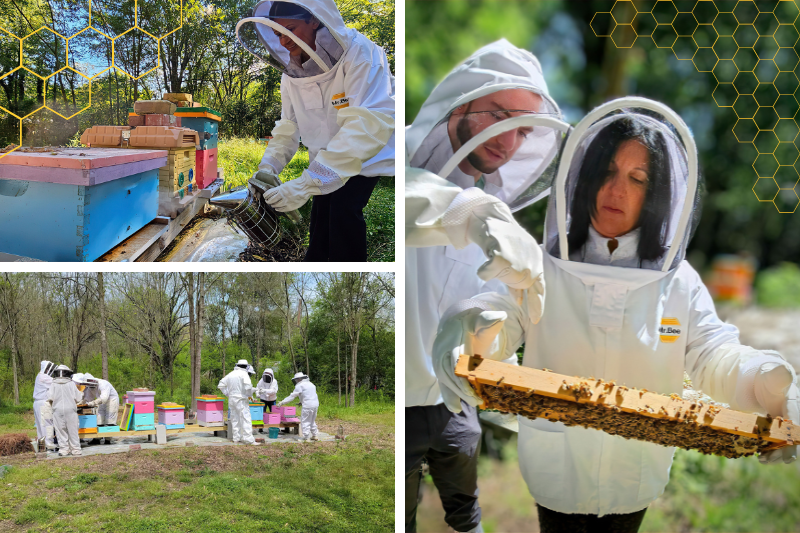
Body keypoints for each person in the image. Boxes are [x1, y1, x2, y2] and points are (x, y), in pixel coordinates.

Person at [432, 98, 800, 533]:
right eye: (606, 172)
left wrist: (766, 380)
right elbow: (503, 317)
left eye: (637, 178)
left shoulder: (677, 280)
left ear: (657, 193)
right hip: (555, 469)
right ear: (585, 180)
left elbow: (712, 353)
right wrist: (473, 321)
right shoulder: (541, 266)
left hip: (636, 473)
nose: (617, 190)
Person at [405, 39, 569, 533]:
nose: (508, 139)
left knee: (467, 515)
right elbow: (412, 197)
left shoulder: (491, 216)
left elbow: (488, 310)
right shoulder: (401, 161)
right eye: (498, 115)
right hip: (398, 406)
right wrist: (473, 214)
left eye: (521, 129)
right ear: (462, 103)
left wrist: (496, 331)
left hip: (453, 403)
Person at [237, 0, 395, 261]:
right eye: (278, 34)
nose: (285, 41)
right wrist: (268, 168)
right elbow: (288, 127)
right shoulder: (291, 74)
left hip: (364, 155)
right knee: (322, 214)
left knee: (343, 211)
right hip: (322, 158)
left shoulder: (362, 54)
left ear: (315, 19)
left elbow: (368, 123)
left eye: (290, 29)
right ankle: (316, 258)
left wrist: (305, 184)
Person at [218, 359, 260, 445]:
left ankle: (236, 438)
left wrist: (228, 394)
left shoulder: (231, 374)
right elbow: (248, 388)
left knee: (235, 419)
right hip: (241, 400)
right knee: (246, 419)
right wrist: (251, 393)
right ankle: (249, 440)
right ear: (245, 366)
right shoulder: (244, 374)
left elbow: (221, 385)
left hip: (232, 400)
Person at [47, 365, 83, 457]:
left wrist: (54, 408)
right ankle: (76, 450)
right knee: (73, 430)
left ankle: (64, 449)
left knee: (60, 430)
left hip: (57, 410)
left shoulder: (53, 384)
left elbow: (50, 398)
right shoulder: (71, 384)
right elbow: (78, 398)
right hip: (70, 409)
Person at [278, 371, 319, 441]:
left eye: (296, 380)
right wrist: (301, 402)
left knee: (305, 421)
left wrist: (282, 402)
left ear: (299, 379)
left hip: (307, 406)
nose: (296, 381)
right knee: (312, 420)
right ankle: (315, 435)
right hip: (315, 405)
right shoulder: (311, 384)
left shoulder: (300, 385)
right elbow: (309, 395)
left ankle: (306, 437)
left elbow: (292, 396)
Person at [33, 360, 55, 450]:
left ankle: (42, 444)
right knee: (47, 423)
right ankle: (49, 443)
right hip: (43, 403)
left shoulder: (39, 376)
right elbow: (56, 382)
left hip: (37, 403)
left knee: (40, 425)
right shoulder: (43, 377)